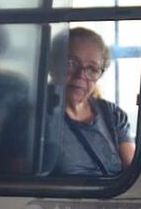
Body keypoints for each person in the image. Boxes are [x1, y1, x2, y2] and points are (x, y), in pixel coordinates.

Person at [50, 27, 135, 175]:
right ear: (53, 65)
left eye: (92, 69)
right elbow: (22, 190)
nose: (80, 75)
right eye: (72, 63)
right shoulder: (33, 117)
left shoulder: (113, 115)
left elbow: (134, 175)